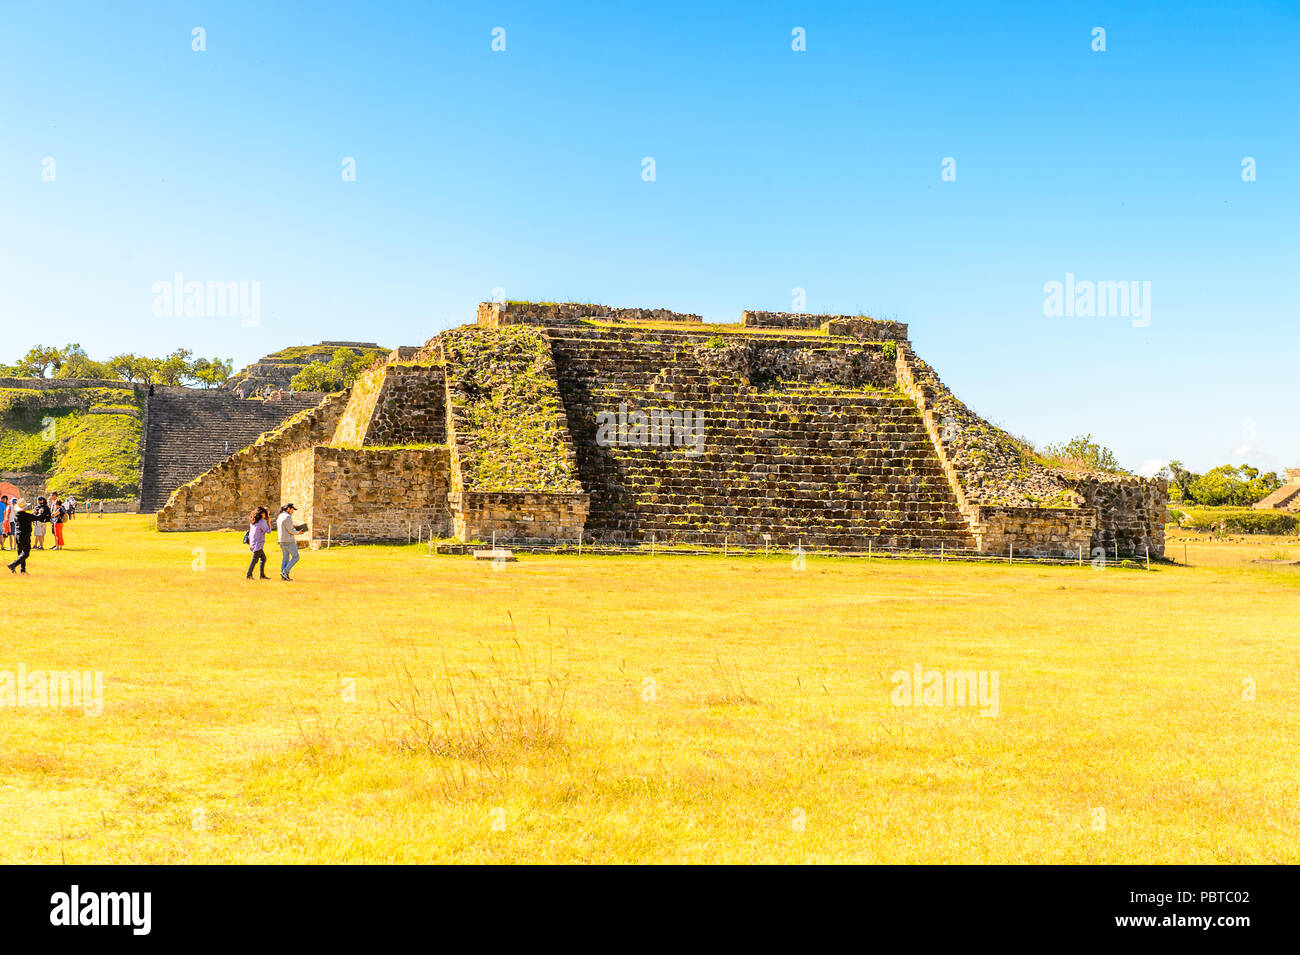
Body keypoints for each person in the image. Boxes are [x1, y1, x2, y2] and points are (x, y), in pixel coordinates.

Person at [276, 503, 308, 581]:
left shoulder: (280, 516)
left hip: (282, 540)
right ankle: (285, 572)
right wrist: (298, 532)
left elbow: (287, 527)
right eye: (292, 509)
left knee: (285, 558)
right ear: (288, 509)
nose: (293, 511)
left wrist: (294, 527)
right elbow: (290, 530)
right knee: (296, 557)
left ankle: (283, 576)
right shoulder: (288, 517)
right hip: (289, 540)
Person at [6, 500, 34, 574]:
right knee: (26, 553)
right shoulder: (27, 516)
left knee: (21, 553)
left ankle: (23, 570)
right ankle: (13, 564)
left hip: (17, 535)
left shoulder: (16, 516)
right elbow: (38, 518)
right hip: (24, 536)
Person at [246, 507, 271, 580]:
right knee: (255, 560)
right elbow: (268, 531)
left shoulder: (254, 521)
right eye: (265, 513)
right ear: (263, 514)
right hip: (258, 544)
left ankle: (262, 575)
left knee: (263, 558)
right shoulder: (262, 522)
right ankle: (249, 575)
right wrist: (269, 522)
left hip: (253, 542)